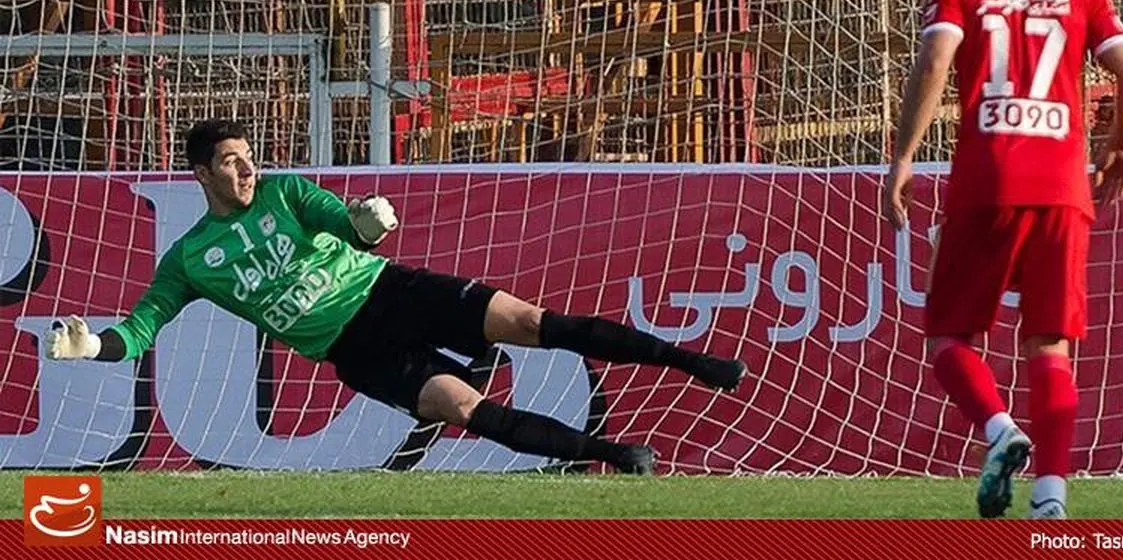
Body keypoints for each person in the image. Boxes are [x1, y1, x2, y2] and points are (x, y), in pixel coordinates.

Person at [45, 119, 747, 474]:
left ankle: (695, 363)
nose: (248, 168)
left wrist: (367, 224)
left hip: (392, 290)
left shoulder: (285, 192)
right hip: (354, 349)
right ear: (202, 174)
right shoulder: (190, 259)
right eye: (231, 162)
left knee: (534, 322)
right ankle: (617, 456)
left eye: (249, 155)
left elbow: (345, 223)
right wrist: (93, 345)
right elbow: (140, 330)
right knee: (463, 408)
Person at [884, 0, 1123, 519]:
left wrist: (903, 157)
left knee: (949, 337)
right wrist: (1120, 146)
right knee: (1051, 346)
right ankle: (1051, 497)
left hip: (987, 179)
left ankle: (1000, 430)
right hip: (1063, 186)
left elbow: (935, 60)